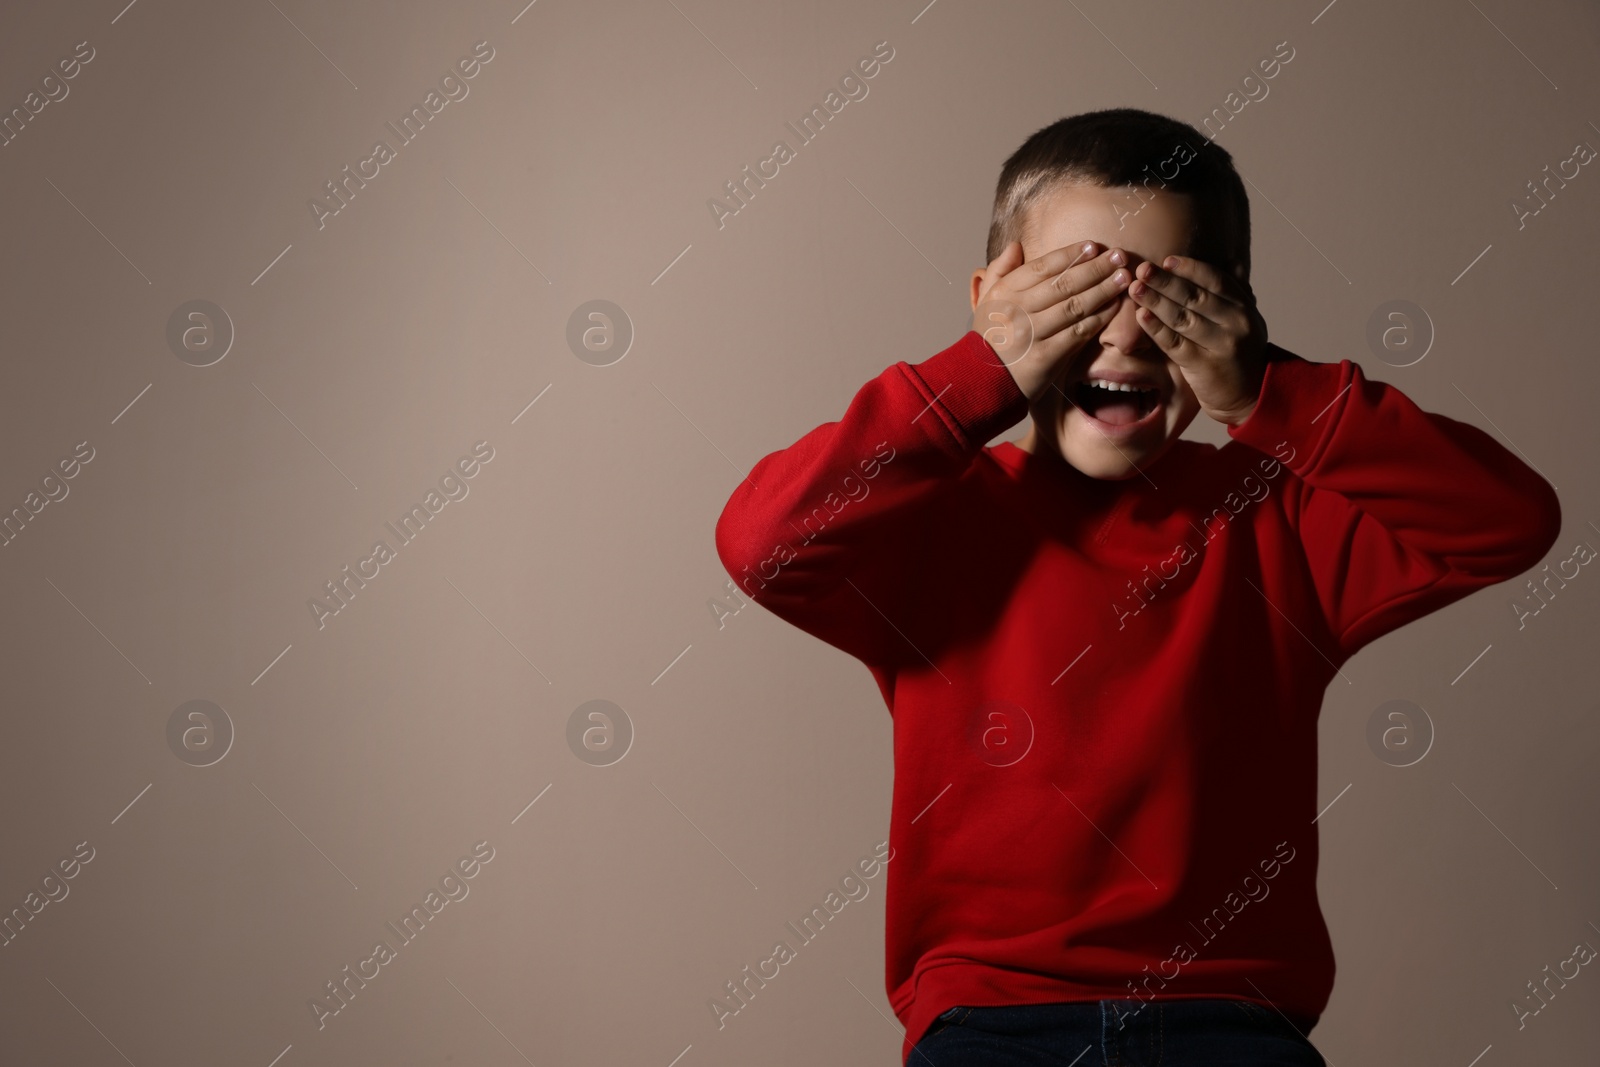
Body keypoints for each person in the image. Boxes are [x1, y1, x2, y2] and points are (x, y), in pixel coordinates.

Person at [712, 107, 1561, 1066]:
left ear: (1232, 310)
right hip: (991, 1017)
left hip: (1232, 1017)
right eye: (1075, 290)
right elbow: (764, 542)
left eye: (1169, 296)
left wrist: (1266, 396)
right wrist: (976, 372)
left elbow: (1509, 519)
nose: (1123, 334)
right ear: (995, 298)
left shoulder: (1280, 520)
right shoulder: (926, 522)